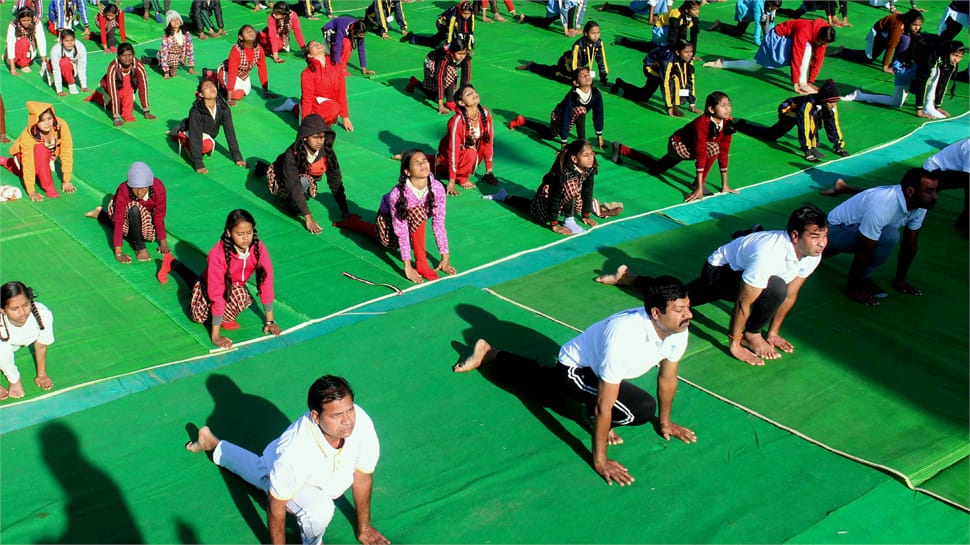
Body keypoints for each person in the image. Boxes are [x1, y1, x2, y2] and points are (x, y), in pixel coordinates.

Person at [453, 275, 697, 486]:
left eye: (687, 307)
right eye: (679, 310)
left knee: (547, 386)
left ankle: (491, 353)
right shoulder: (624, 337)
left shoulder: (678, 329)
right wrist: (600, 461)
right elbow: (604, 403)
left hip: (598, 368)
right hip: (576, 368)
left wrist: (666, 423)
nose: (688, 315)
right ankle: (492, 355)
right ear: (656, 313)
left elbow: (668, 376)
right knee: (639, 409)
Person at [596, 204, 829, 366]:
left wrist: (775, 333)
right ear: (796, 236)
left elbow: (791, 294)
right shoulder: (769, 253)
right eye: (815, 236)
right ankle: (751, 334)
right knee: (775, 287)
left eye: (824, 235)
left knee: (681, 297)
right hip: (719, 271)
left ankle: (630, 278)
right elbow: (742, 303)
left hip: (745, 274)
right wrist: (736, 344)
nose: (822, 243)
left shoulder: (812, 253)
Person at [185, 375, 389, 545]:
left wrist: (364, 528)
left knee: (260, 469)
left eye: (349, 409)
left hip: (309, 470)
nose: (347, 421)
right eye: (336, 415)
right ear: (316, 417)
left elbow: (363, 476)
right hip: (283, 466)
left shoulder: (360, 421)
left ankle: (211, 442)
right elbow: (276, 505)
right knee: (319, 509)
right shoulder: (295, 451)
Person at [160, 209, 281, 349]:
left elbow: (266, 282)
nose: (246, 238)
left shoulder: (258, 248)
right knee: (199, 317)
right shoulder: (217, 254)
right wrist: (215, 335)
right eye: (240, 234)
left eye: (249, 233)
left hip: (233, 286)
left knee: (241, 295)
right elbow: (217, 294)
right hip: (210, 288)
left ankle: (224, 316)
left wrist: (270, 322)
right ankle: (172, 263)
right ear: (229, 233)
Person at [335, 150, 455, 282]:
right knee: (384, 240)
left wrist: (445, 257)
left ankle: (421, 262)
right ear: (407, 172)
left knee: (418, 213)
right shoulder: (397, 195)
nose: (422, 164)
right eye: (417, 162)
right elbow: (401, 231)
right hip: (389, 221)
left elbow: (439, 224)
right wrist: (407, 267)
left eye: (424, 160)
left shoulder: (437, 188)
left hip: (416, 221)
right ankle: (354, 224)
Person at [824, 168, 938, 306]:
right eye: (929, 191)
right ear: (910, 191)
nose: (935, 196)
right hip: (833, 232)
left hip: (854, 232)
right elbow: (863, 248)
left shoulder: (920, 205)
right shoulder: (883, 206)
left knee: (887, 235)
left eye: (934, 191)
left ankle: (860, 278)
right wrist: (853, 289)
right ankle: (858, 281)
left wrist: (900, 281)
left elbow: (910, 244)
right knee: (889, 235)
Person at [612, 91, 736, 202]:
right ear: (711, 109)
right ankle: (698, 184)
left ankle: (621, 149)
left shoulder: (727, 123)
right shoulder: (701, 123)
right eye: (723, 106)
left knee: (656, 168)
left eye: (729, 105)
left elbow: (724, 152)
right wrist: (699, 188)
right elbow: (701, 153)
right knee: (711, 149)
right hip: (678, 145)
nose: (727, 109)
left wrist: (725, 184)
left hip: (693, 146)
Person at [483, 139, 607, 235]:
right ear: (574, 159)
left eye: (592, 154)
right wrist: (554, 224)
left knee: (575, 191)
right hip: (549, 196)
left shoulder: (590, 168)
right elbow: (555, 196)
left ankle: (569, 219)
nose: (590, 158)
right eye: (586, 155)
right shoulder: (564, 172)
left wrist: (586, 215)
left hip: (566, 199)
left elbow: (587, 189)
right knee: (535, 212)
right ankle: (504, 196)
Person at [260, 114, 348, 235]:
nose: (320, 141)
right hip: (282, 177)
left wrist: (344, 209)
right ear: (305, 137)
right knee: (300, 187)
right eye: (315, 137)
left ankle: (263, 169)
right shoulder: (291, 154)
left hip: (303, 177)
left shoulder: (327, 151)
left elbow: (335, 180)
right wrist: (308, 217)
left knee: (304, 181)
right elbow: (293, 185)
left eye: (322, 137)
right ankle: (286, 200)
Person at [704, 18, 836, 96]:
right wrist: (796, 82)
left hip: (788, 40)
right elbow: (797, 55)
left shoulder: (822, 36)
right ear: (819, 36)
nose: (822, 46)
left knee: (753, 66)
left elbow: (818, 58)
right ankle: (803, 83)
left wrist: (811, 80)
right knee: (806, 48)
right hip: (776, 39)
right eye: (822, 43)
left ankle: (723, 63)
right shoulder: (805, 31)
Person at [841, 38, 964, 119]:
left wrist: (938, 106)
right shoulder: (931, 56)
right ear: (949, 51)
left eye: (959, 57)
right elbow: (922, 82)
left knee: (895, 102)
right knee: (933, 72)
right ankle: (858, 95)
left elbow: (943, 82)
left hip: (917, 71)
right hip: (905, 68)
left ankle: (930, 105)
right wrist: (919, 110)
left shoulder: (949, 61)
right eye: (954, 55)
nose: (956, 59)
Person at [734, 79, 848, 163]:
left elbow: (833, 124)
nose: (834, 105)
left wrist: (839, 147)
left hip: (805, 113)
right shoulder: (808, 104)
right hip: (787, 110)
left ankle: (813, 145)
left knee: (771, 135)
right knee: (809, 119)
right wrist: (807, 150)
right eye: (831, 102)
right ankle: (741, 126)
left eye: (835, 102)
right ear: (824, 99)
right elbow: (804, 125)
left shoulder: (831, 105)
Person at [84, 161, 169, 264]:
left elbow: (159, 216)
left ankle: (101, 214)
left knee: (149, 237)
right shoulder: (123, 190)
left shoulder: (158, 189)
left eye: (143, 188)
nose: (140, 192)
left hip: (144, 217)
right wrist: (118, 253)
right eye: (135, 188)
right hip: (125, 214)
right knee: (134, 208)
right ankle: (140, 247)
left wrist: (163, 243)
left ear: (149, 186)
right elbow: (119, 220)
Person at [509, 67, 605, 151]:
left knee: (551, 134)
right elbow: (566, 118)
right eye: (583, 76)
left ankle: (524, 121)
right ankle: (582, 144)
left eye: (588, 74)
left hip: (575, 115)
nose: (587, 77)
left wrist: (599, 135)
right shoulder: (572, 97)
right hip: (559, 116)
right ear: (576, 83)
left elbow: (598, 114)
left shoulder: (596, 93)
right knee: (579, 111)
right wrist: (563, 143)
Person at [2, 101, 74, 202]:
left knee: (20, 171)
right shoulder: (28, 135)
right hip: (24, 155)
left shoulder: (61, 126)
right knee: (39, 153)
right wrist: (31, 191)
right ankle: (49, 187)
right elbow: (28, 163)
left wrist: (67, 180)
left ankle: (4, 161)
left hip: (47, 157)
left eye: (49, 118)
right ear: (35, 121)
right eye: (42, 120)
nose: (47, 123)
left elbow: (67, 152)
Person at [172, 77, 246, 174]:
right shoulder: (196, 111)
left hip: (207, 135)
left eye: (212, 85)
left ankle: (179, 132)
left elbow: (230, 133)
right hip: (193, 132)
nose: (211, 88)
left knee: (207, 144)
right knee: (206, 145)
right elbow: (196, 138)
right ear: (201, 94)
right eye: (207, 87)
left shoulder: (223, 108)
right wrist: (198, 163)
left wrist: (237, 157)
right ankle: (181, 136)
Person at [610, 39, 698, 117]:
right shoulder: (668, 61)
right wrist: (669, 107)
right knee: (670, 81)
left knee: (644, 95)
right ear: (678, 52)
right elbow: (665, 84)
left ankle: (620, 84)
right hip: (651, 68)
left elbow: (690, 81)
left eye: (691, 51)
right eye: (686, 52)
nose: (689, 54)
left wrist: (692, 103)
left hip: (666, 69)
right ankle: (621, 84)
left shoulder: (689, 60)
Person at [435, 83, 495, 195]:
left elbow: (488, 142)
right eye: (469, 94)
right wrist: (452, 181)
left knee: (480, 146)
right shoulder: (457, 121)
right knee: (471, 152)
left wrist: (489, 171)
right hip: (447, 159)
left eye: (474, 91)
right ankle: (461, 178)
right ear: (461, 103)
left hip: (464, 158)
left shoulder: (485, 114)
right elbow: (453, 151)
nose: (474, 94)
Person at [0, 281, 55, 400]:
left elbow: (41, 345)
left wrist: (42, 375)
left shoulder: (43, 315)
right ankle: (15, 380)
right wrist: (14, 379)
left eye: (25, 305)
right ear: (2, 310)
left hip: (13, 343)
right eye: (14, 308)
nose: (22, 312)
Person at [828, 9, 923, 73]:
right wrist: (885, 66)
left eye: (919, 25)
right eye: (914, 25)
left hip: (888, 34)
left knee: (907, 40)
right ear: (908, 21)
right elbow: (891, 46)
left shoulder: (907, 25)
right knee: (868, 58)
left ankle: (898, 63)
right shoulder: (898, 27)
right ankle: (843, 51)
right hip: (879, 34)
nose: (917, 28)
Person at [85, 42, 155, 126]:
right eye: (124, 56)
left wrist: (146, 111)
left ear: (133, 54)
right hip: (109, 86)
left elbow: (143, 86)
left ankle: (126, 113)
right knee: (111, 105)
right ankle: (98, 95)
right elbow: (113, 91)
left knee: (127, 85)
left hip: (127, 88)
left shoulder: (139, 66)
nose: (127, 58)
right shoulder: (113, 67)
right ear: (118, 56)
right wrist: (116, 117)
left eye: (129, 55)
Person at [516, 21, 609, 83]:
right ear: (585, 33)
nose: (596, 36)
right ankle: (532, 66)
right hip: (566, 63)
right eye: (593, 33)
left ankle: (534, 66)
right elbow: (575, 65)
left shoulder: (599, 43)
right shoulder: (578, 45)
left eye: (598, 33)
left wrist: (603, 78)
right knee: (560, 76)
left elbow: (602, 61)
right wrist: (581, 77)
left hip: (579, 65)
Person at [404, 38, 471, 115]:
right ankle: (450, 101)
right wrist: (440, 105)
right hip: (432, 61)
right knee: (450, 72)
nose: (462, 56)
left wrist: (463, 98)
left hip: (447, 67)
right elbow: (440, 78)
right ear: (453, 52)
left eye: (464, 53)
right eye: (459, 54)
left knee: (431, 96)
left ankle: (415, 82)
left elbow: (466, 78)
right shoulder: (445, 58)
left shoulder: (466, 58)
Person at [216, 24, 276, 106]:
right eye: (247, 31)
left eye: (252, 31)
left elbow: (262, 69)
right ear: (240, 37)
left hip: (244, 75)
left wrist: (266, 91)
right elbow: (232, 73)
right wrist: (229, 98)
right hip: (227, 72)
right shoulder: (236, 50)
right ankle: (214, 77)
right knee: (237, 95)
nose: (250, 32)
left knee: (244, 92)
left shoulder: (259, 49)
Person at [299, 40, 352, 130]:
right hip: (316, 105)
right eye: (313, 45)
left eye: (318, 43)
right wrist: (306, 124)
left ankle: (292, 106)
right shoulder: (307, 73)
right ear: (309, 55)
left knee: (333, 108)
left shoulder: (337, 67)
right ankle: (298, 109)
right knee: (332, 108)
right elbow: (307, 99)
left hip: (330, 106)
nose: (318, 45)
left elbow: (342, 92)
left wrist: (345, 117)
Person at [613, 0, 699, 53]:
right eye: (694, 10)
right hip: (660, 31)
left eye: (698, 9)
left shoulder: (694, 17)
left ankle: (624, 41)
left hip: (669, 33)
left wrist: (692, 53)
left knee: (649, 47)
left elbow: (694, 35)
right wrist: (674, 51)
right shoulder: (676, 15)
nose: (697, 12)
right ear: (687, 10)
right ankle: (625, 42)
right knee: (678, 34)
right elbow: (673, 34)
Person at [923, 138, 969, 233]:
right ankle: (966, 224)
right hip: (933, 171)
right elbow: (967, 176)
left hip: (951, 171)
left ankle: (964, 222)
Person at [142, 10, 196, 79]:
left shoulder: (186, 34)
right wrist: (166, 72)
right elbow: (164, 53)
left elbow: (190, 49)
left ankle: (154, 60)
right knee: (172, 66)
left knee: (174, 61)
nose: (176, 21)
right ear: (169, 23)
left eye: (177, 19)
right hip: (168, 57)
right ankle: (158, 62)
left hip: (178, 57)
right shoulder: (166, 37)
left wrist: (191, 66)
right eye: (172, 20)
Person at [707, 0, 782, 46]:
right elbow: (758, 23)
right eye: (773, 8)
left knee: (766, 23)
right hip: (746, 10)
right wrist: (757, 41)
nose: (774, 10)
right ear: (770, 4)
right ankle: (719, 24)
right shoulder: (758, 3)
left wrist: (772, 37)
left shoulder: (774, 5)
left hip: (759, 12)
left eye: (776, 9)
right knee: (738, 32)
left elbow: (771, 22)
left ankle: (769, 38)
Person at [405, 1, 475, 49]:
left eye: (468, 14)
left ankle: (413, 38)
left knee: (434, 41)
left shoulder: (471, 15)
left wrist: (469, 47)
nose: (466, 16)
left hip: (453, 25)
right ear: (461, 11)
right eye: (464, 13)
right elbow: (451, 31)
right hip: (442, 24)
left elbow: (470, 31)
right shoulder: (453, 16)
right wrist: (450, 44)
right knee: (453, 41)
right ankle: (448, 48)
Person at [46, 29, 88, 95]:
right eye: (66, 41)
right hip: (54, 68)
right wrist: (59, 90)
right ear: (61, 41)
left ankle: (68, 79)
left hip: (70, 70)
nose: (70, 43)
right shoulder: (55, 50)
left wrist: (84, 86)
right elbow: (56, 70)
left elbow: (81, 67)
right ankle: (71, 84)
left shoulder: (81, 47)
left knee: (67, 63)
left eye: (72, 40)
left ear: (75, 39)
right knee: (64, 62)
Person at [6, 7, 46, 75]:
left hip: (29, 49)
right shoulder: (13, 25)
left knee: (27, 41)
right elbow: (10, 45)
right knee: (23, 40)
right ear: (19, 19)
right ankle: (23, 64)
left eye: (28, 20)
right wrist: (12, 69)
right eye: (24, 20)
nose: (26, 22)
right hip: (17, 49)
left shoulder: (36, 23)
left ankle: (25, 59)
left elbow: (41, 41)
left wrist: (44, 63)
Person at [523, 0, 589, 37]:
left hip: (567, 6)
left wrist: (577, 27)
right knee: (544, 23)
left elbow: (582, 8)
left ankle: (570, 27)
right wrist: (566, 31)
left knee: (573, 5)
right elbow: (563, 10)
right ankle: (525, 18)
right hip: (555, 7)